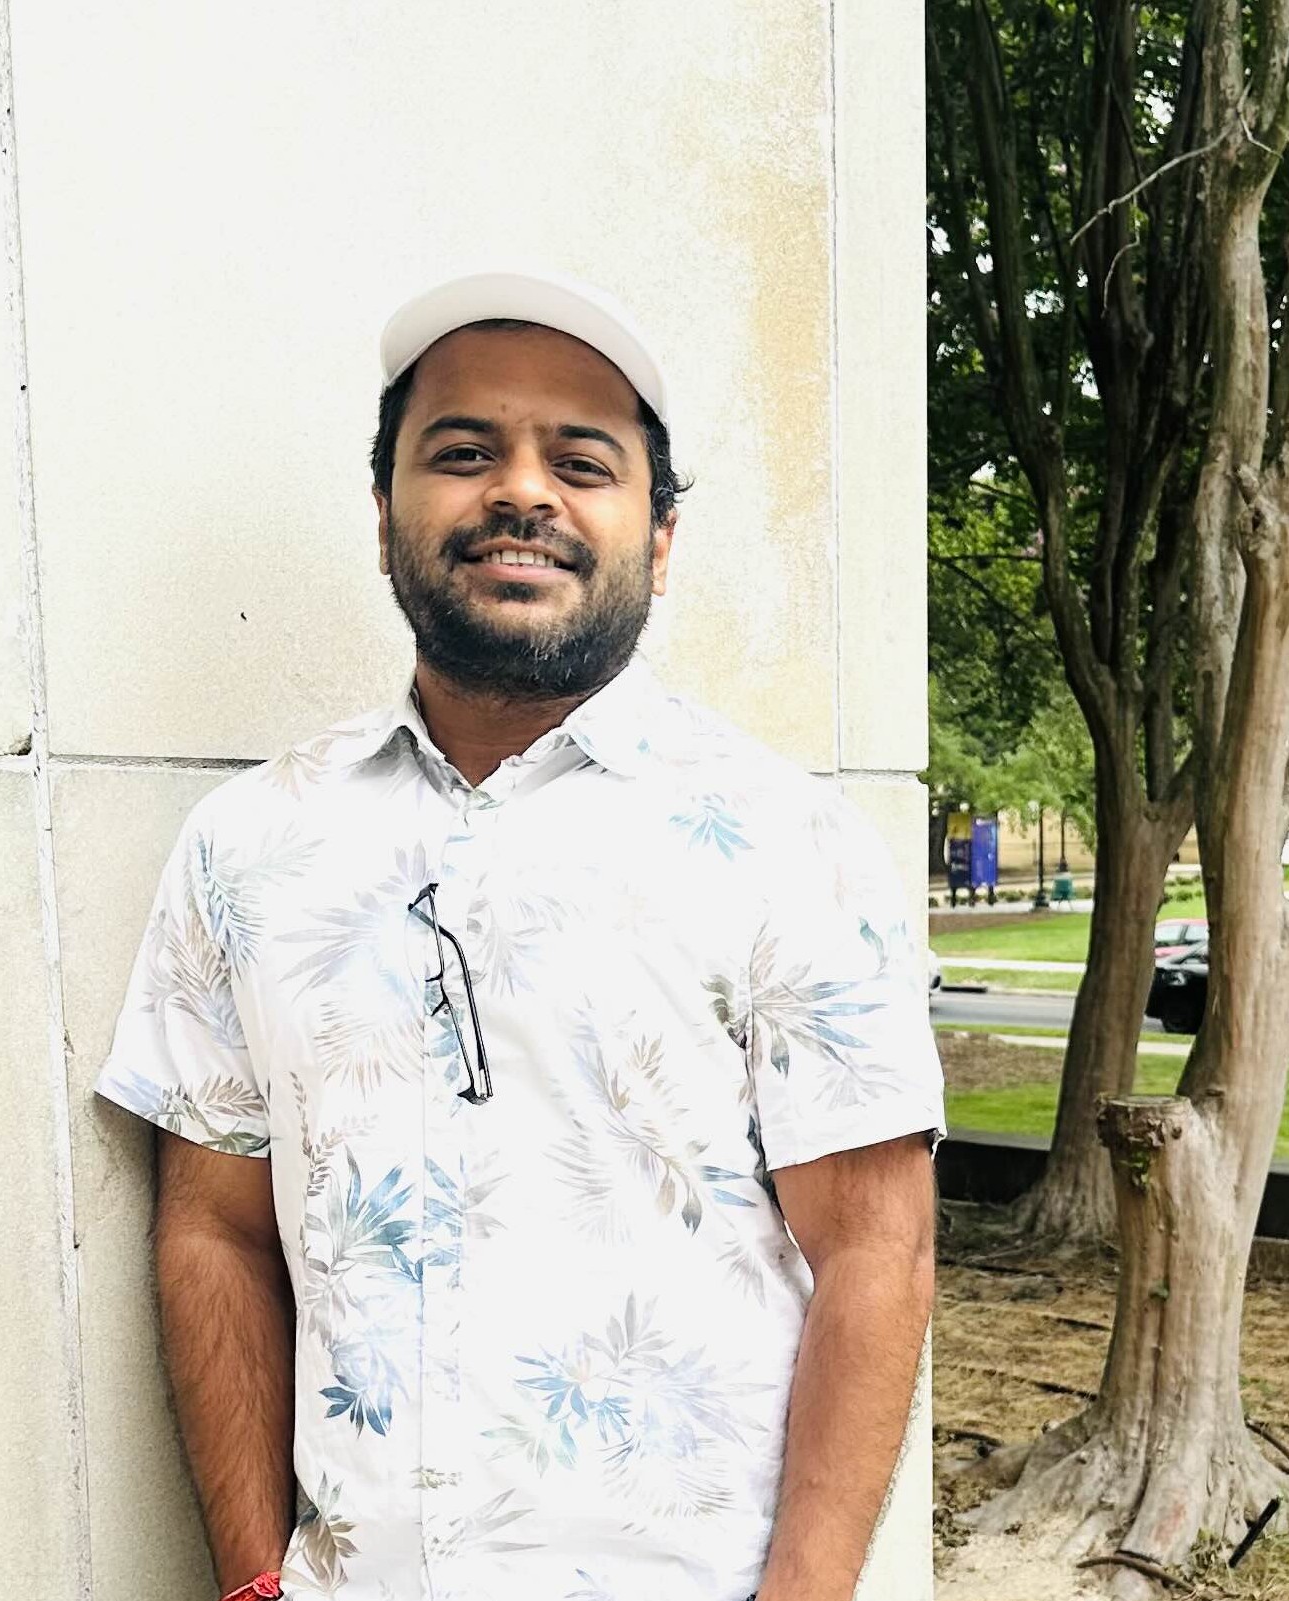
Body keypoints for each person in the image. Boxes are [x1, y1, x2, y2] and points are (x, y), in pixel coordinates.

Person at [95, 269, 947, 1601]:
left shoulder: (791, 847)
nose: (522, 493)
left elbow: (878, 1254)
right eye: (463, 452)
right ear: (384, 515)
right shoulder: (247, 846)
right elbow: (216, 1228)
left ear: (660, 537)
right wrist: (256, 1584)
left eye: (582, 461)